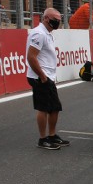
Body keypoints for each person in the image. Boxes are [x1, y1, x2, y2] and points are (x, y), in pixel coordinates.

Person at [26, 8, 68, 150]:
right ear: (45, 19)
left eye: (58, 20)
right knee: (43, 108)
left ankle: (52, 135)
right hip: (40, 77)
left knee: (55, 107)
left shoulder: (48, 33)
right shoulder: (39, 34)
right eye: (54, 20)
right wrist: (43, 76)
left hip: (47, 76)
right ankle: (43, 139)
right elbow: (31, 57)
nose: (57, 23)